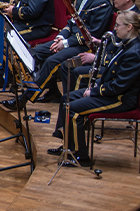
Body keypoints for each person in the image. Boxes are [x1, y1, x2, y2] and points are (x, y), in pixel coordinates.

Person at [5, 0, 113, 110]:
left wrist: (66, 43)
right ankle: (53, 91)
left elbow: (92, 34)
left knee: (52, 61)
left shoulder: (102, 3)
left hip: (86, 46)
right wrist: (61, 36)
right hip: (70, 40)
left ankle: (24, 98)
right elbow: (72, 22)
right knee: (37, 52)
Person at [47, 10, 140, 167]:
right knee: (66, 98)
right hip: (111, 92)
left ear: (129, 27)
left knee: (74, 109)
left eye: (117, 26)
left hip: (121, 99)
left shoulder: (134, 53)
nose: (115, 29)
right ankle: (68, 146)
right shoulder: (125, 44)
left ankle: (80, 157)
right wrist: (97, 85)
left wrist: (95, 91)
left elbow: (120, 86)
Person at [60, 0, 139, 102]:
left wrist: (96, 58)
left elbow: (123, 55)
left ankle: (76, 104)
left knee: (77, 72)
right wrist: (100, 42)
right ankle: (67, 102)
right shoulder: (122, 15)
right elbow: (116, 42)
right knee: (67, 65)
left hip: (111, 66)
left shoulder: (133, 21)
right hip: (104, 57)